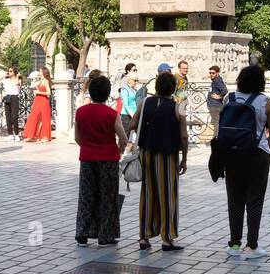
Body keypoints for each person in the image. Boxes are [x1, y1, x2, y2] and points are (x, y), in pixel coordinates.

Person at [214, 64, 270, 261]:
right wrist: (265, 147)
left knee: (234, 199)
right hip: (257, 155)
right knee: (255, 200)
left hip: (231, 155)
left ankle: (234, 244)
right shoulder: (265, 102)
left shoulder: (229, 98)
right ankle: (252, 246)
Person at [130, 70, 187, 251]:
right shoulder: (178, 106)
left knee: (147, 194)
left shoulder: (145, 102)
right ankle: (167, 238)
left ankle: (144, 237)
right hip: (167, 155)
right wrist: (184, 158)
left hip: (146, 153)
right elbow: (184, 136)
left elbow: (132, 124)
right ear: (173, 88)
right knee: (168, 195)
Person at [74, 73, 128, 245]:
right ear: (107, 93)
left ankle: (82, 232)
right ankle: (105, 235)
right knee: (107, 197)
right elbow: (123, 138)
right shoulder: (112, 114)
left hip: (88, 158)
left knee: (87, 195)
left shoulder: (81, 112)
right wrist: (118, 151)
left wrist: (87, 146)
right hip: (108, 159)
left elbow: (77, 137)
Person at [22, 66, 53, 143]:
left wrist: (39, 92)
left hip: (43, 101)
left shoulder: (46, 81)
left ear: (43, 72)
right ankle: (31, 135)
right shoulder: (41, 80)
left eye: (40, 71)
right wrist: (37, 82)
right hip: (37, 101)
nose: (39, 72)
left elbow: (49, 93)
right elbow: (32, 86)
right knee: (34, 116)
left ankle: (45, 136)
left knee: (44, 118)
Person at [204, 65, 228, 137]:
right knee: (216, 123)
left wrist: (219, 96)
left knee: (216, 124)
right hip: (214, 105)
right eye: (210, 73)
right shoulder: (217, 79)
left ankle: (216, 140)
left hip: (215, 105)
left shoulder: (217, 80)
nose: (211, 74)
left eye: (213, 73)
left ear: (217, 73)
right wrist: (209, 76)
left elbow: (225, 91)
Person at [2, 66, 23, 139]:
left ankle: (16, 134)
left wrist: (17, 76)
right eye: (9, 71)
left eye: (11, 71)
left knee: (14, 117)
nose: (9, 72)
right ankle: (10, 134)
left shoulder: (18, 80)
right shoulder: (6, 80)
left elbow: (17, 83)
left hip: (14, 98)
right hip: (7, 97)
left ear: (14, 72)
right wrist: (5, 75)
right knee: (8, 116)